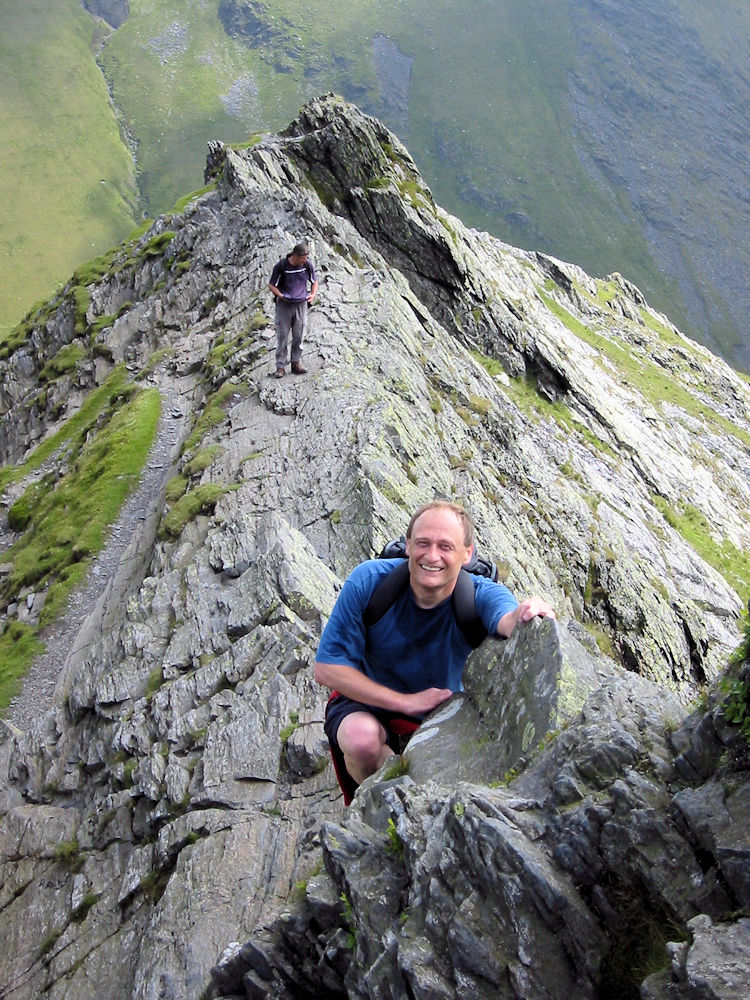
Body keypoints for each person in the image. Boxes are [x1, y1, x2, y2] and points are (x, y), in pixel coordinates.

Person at [315, 500, 555, 791]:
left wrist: (527, 613)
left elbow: (507, 619)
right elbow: (328, 669)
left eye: (445, 546)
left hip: (442, 716)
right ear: (407, 545)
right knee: (360, 739)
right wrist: (406, 702)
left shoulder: (481, 595)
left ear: (467, 554)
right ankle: (379, 815)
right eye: (423, 543)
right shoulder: (369, 581)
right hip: (366, 702)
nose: (432, 556)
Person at [268, 243, 318, 378]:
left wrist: (312, 295)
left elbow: (314, 281)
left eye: (307, 257)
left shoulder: (307, 265)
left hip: (301, 304)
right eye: (304, 257)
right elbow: (271, 285)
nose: (305, 260)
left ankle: (296, 363)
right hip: (284, 305)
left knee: (299, 335)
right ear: (296, 255)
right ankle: (280, 366)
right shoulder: (281, 266)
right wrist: (280, 295)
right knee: (282, 335)